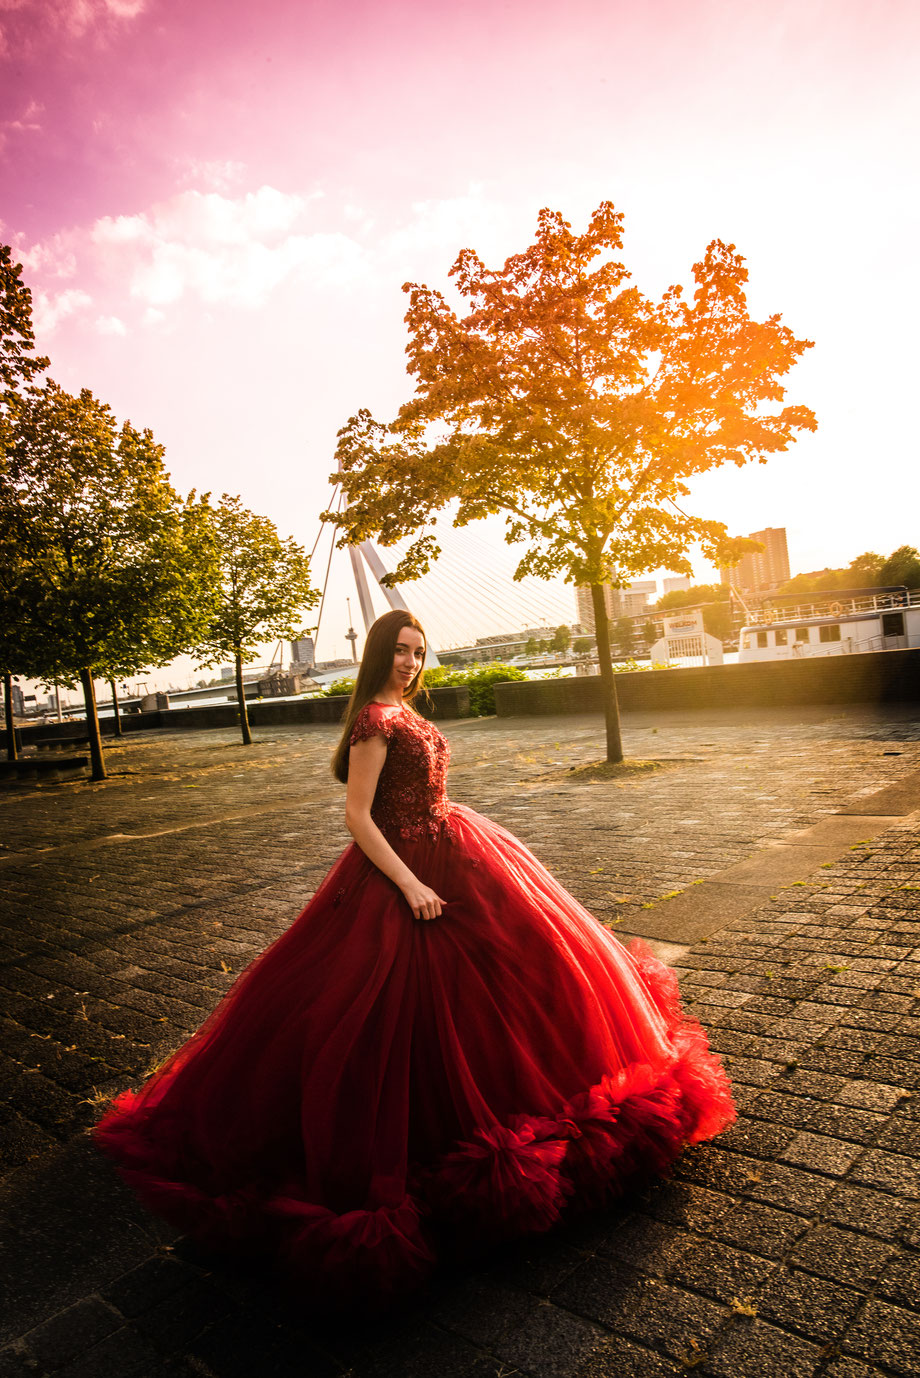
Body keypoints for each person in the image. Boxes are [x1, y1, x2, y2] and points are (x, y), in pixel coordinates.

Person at [94, 610, 734, 1307]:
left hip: (458, 844)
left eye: (418, 651)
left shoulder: (403, 708)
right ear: (377, 655)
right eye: (399, 651)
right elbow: (358, 817)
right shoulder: (374, 718)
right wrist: (410, 882)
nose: (410, 661)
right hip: (407, 866)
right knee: (384, 1007)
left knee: (523, 973)